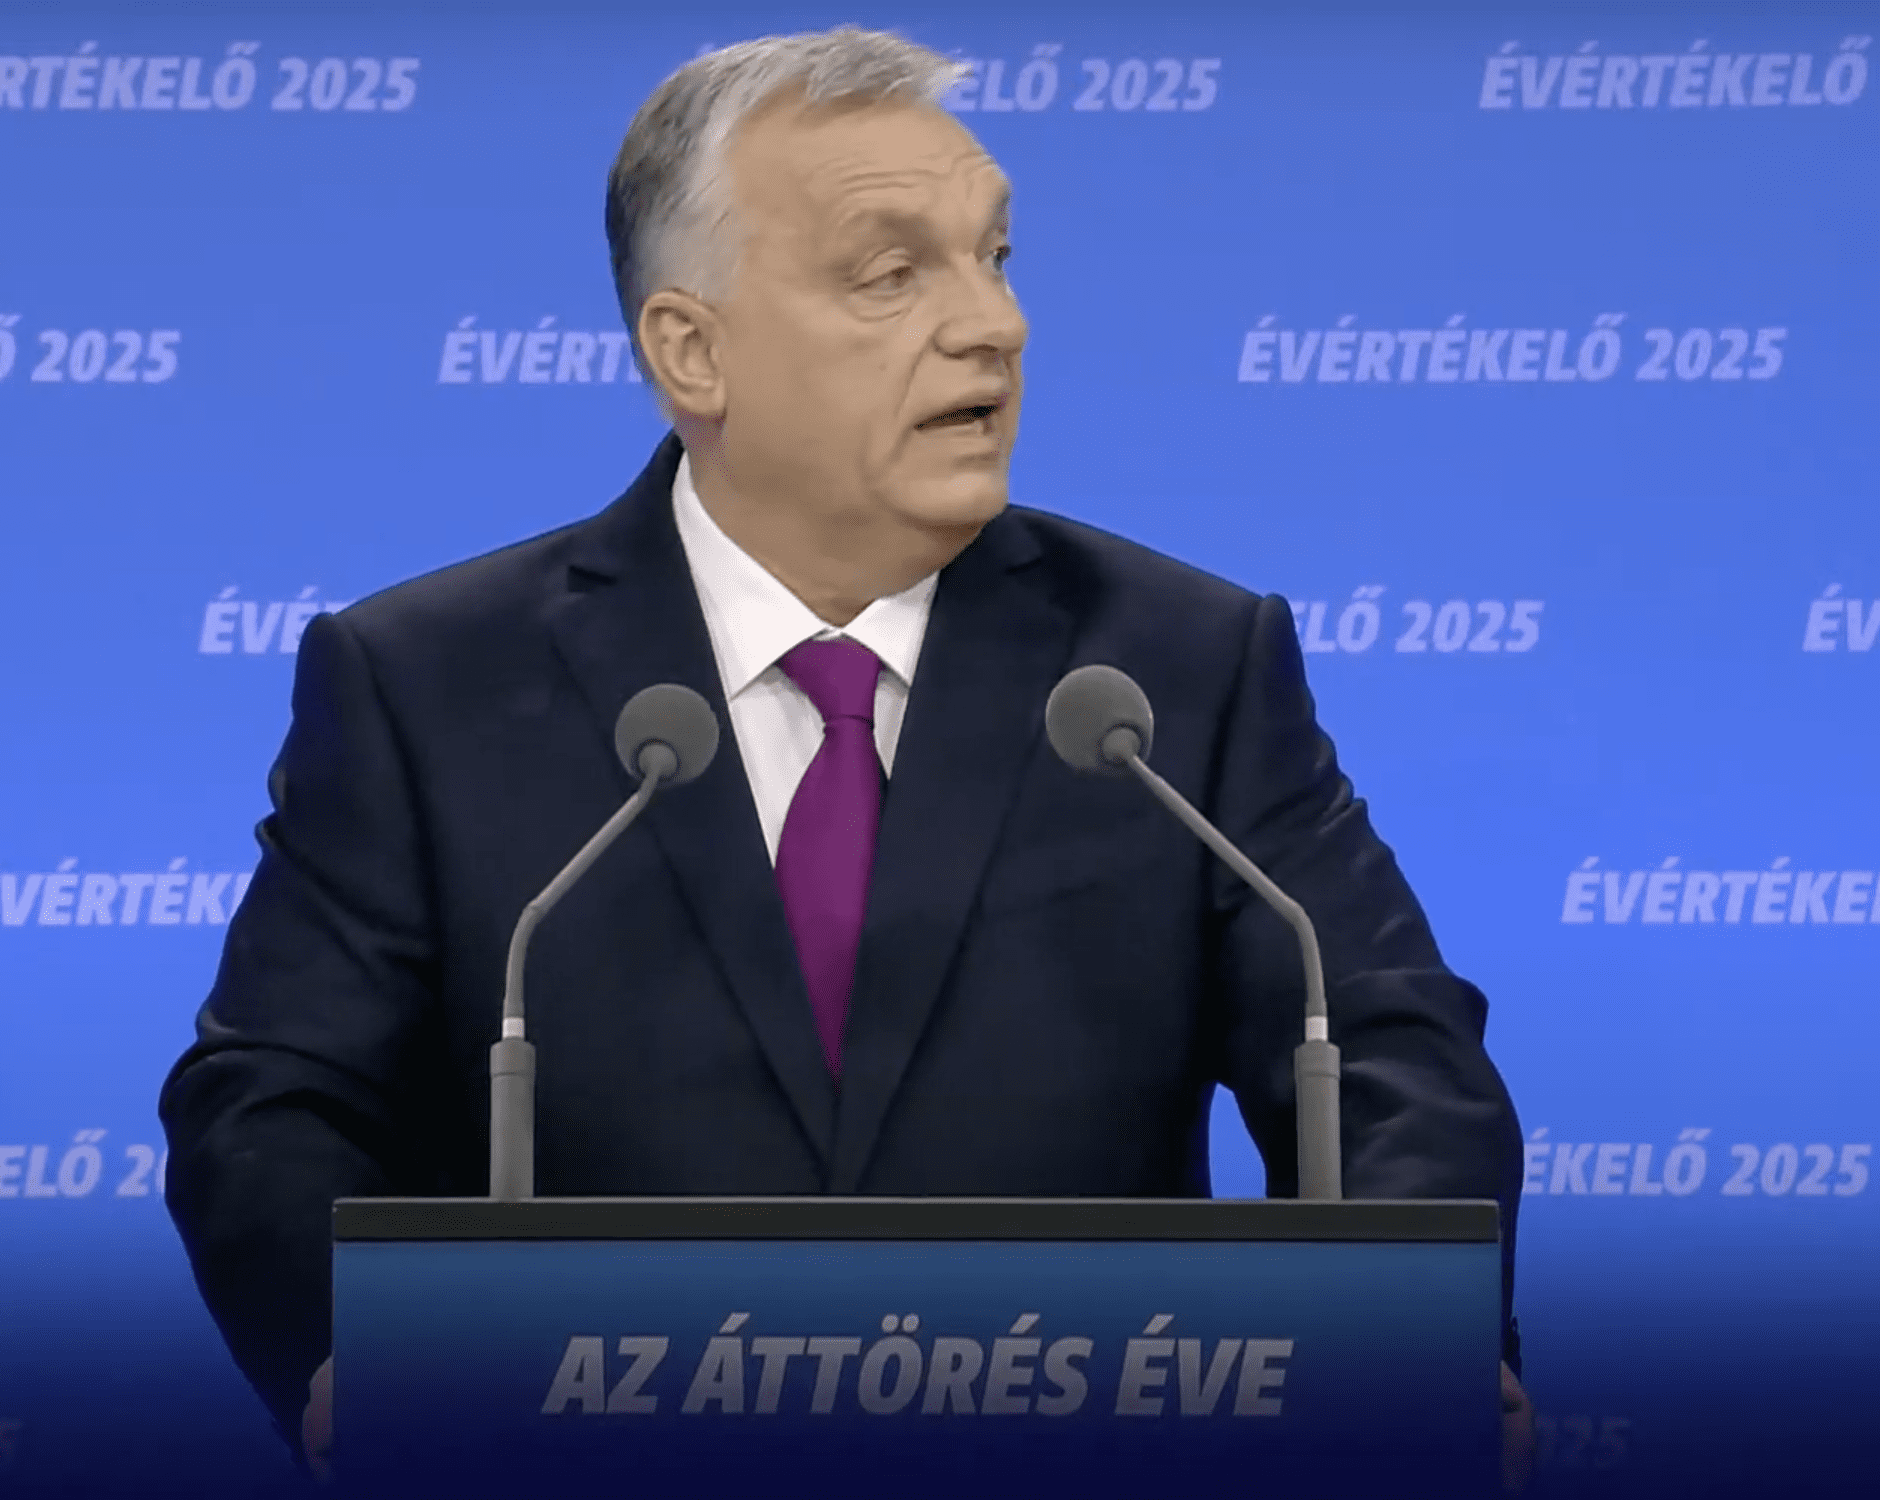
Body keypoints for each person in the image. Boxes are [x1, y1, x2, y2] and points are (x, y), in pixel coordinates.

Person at [159, 25, 1533, 1491]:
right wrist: (350, 1360)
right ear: (692, 351)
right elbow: (271, 1105)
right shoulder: (425, 681)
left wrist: (1421, 1347)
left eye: (994, 257)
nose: (992, 324)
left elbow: (1389, 1054)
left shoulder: (1174, 669)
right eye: (893, 274)